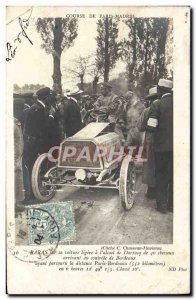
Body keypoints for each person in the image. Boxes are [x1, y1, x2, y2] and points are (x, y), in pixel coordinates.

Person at [147, 79, 173, 213]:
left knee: (161, 175)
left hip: (161, 147)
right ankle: (172, 205)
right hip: (179, 147)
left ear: (160, 90)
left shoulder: (157, 104)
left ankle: (162, 206)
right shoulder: (183, 103)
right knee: (175, 175)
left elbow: (151, 127)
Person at [23, 87, 52, 200]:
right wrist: (51, 117)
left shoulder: (38, 108)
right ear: (45, 97)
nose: (50, 98)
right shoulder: (38, 109)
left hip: (33, 142)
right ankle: (31, 195)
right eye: (49, 96)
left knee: (34, 167)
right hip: (34, 143)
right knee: (32, 168)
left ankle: (33, 192)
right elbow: (42, 128)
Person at [137, 86, 158, 199]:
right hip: (165, 141)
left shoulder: (147, 110)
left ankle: (151, 190)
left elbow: (140, 126)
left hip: (151, 141)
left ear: (150, 99)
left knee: (150, 165)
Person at [14, 118, 25, 214]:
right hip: (12, 157)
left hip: (18, 156)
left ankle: (16, 203)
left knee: (17, 180)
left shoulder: (15, 122)